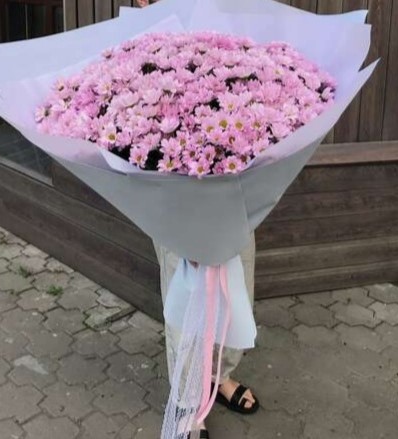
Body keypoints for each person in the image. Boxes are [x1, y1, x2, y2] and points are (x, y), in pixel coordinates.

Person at [139, 2, 259, 437]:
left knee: (237, 278)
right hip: (173, 179)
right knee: (185, 288)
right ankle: (189, 402)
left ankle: (219, 375)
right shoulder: (150, 34)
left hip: (234, 176)